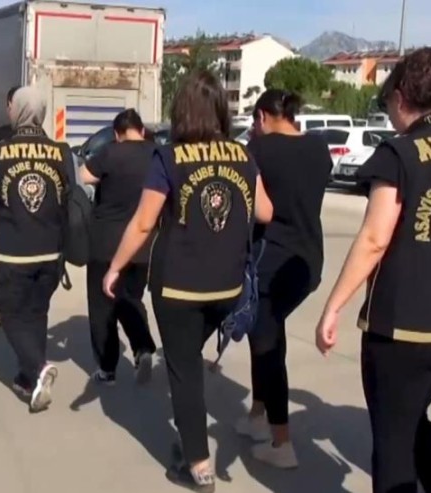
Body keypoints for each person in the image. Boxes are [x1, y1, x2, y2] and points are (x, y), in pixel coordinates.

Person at [314, 47, 431, 493]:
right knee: (410, 417)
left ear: (400, 98)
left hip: (406, 330)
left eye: (387, 104)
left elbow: (374, 238)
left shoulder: (399, 153)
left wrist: (333, 307)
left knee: (393, 443)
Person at [104, 71, 273, 491]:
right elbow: (265, 211)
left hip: (179, 285)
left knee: (183, 372)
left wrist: (115, 267)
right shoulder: (242, 155)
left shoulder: (169, 157)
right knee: (187, 360)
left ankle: (198, 464)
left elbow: (143, 223)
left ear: (182, 111)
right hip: (227, 286)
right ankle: (192, 442)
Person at [233, 89, 332, 468]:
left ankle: (281, 441)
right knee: (268, 334)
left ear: (262, 116)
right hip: (308, 261)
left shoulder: (259, 150)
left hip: (270, 262)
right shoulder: (319, 148)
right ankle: (257, 413)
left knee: (268, 347)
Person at [0, 86, 69, 413]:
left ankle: (39, 368)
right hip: (51, 251)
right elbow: (77, 193)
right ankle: (29, 380)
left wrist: (10, 199)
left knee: (11, 313)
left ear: (16, 111)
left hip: (14, 251)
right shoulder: (62, 152)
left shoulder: (0, 152)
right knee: (37, 313)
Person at [78, 108, 157, 386]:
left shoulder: (109, 152)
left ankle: (107, 368)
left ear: (116, 133)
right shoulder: (157, 154)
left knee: (103, 307)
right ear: (142, 130)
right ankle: (142, 347)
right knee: (130, 299)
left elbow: (82, 176)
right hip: (143, 246)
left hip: (106, 244)